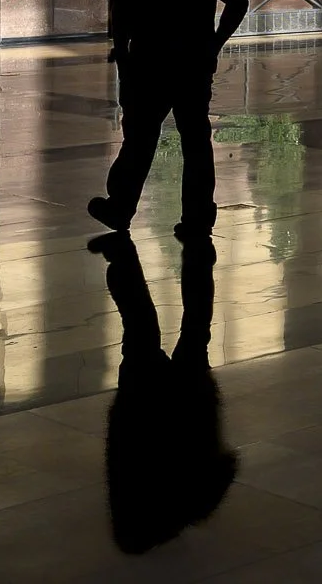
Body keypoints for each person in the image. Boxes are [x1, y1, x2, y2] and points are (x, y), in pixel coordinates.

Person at [88, 0, 248, 241]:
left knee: (139, 139)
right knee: (196, 140)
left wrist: (123, 54)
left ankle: (120, 206)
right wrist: (214, 43)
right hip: (192, 61)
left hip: (148, 61)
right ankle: (197, 218)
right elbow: (238, 2)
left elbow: (121, 12)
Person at [90, 230, 237, 551]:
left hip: (188, 405)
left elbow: (226, 466)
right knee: (141, 328)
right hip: (145, 404)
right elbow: (118, 444)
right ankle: (122, 255)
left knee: (194, 326)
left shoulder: (192, 508)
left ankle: (197, 248)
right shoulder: (131, 495)